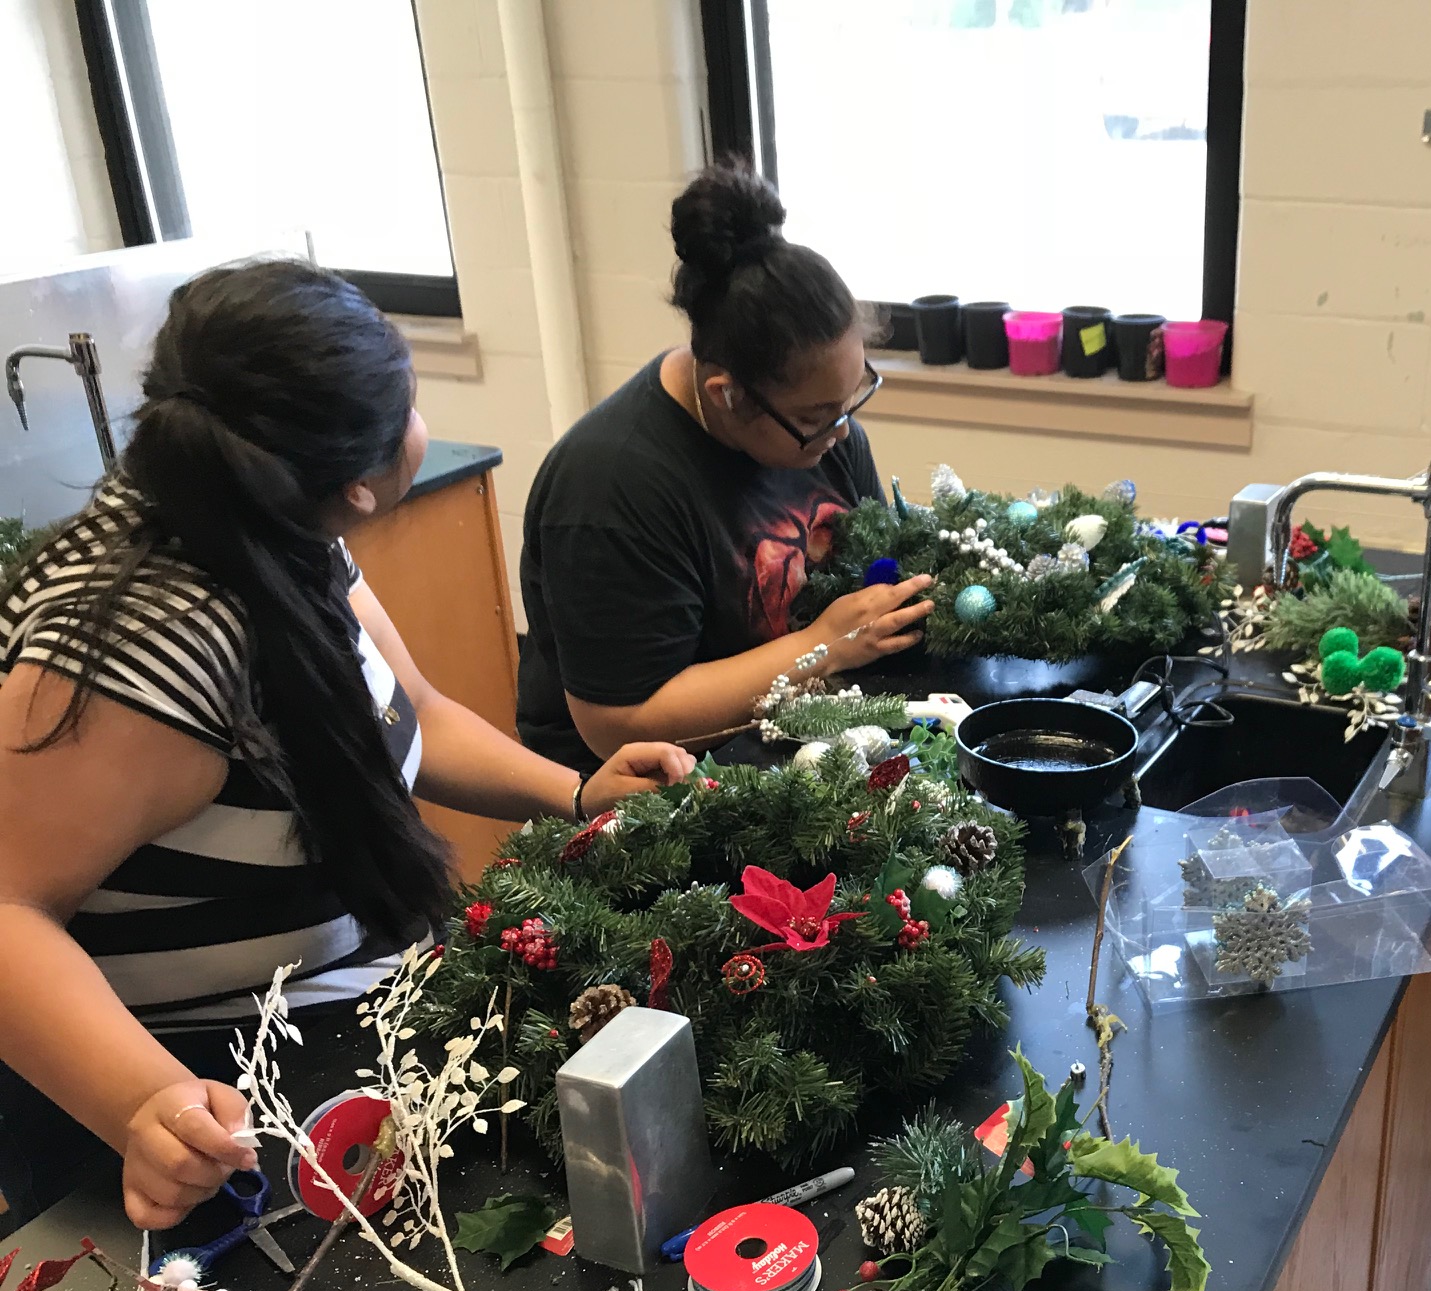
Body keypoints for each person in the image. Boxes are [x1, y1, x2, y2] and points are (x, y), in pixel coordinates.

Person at [0, 260, 695, 1233]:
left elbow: (406, 708)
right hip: (221, 1098)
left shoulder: (272, 515)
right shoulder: (141, 656)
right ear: (364, 484)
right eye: (412, 404)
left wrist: (577, 794)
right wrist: (144, 1103)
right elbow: (8, 908)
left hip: (352, 1019)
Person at [516, 163, 933, 769]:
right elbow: (619, 727)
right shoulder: (610, 492)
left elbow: (867, 575)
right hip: (650, 793)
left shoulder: (825, 433)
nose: (842, 430)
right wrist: (823, 646)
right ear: (725, 394)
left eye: (852, 396)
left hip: (800, 735)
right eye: (817, 414)